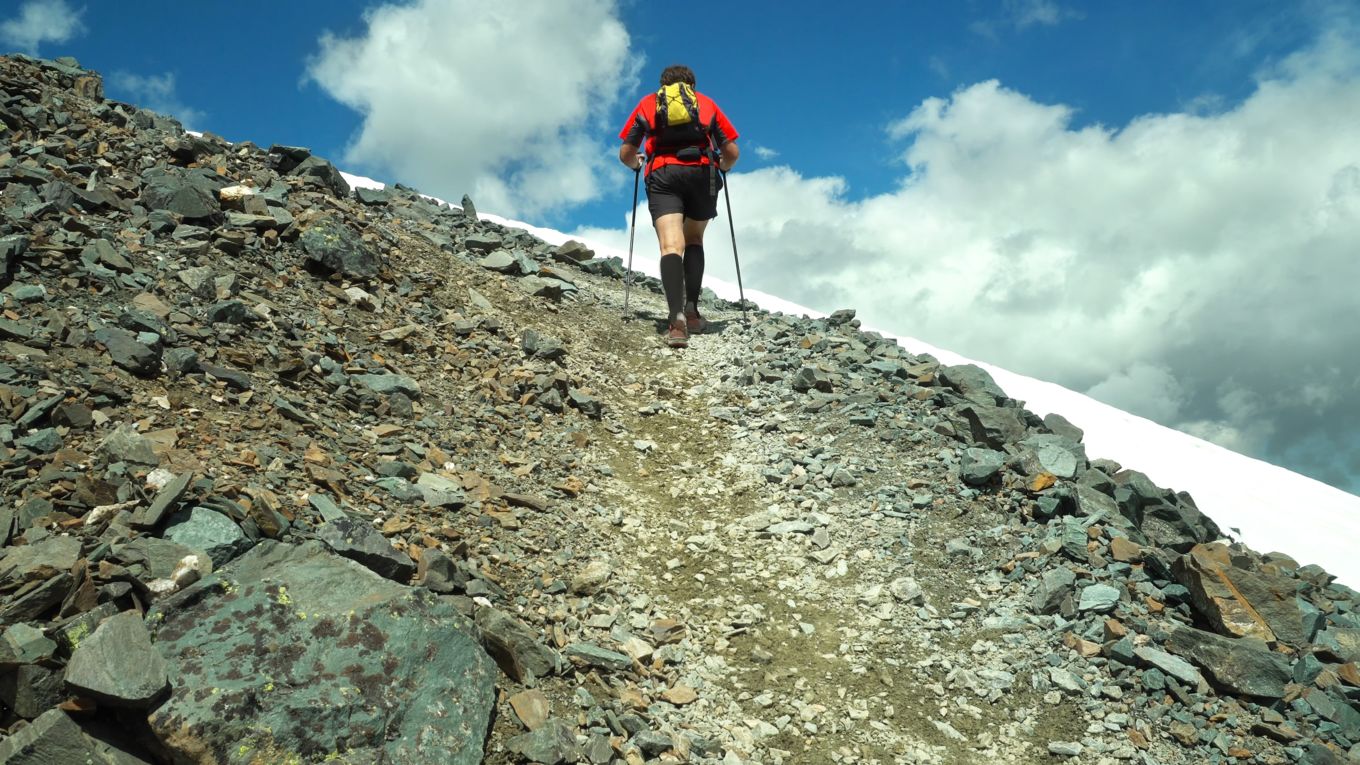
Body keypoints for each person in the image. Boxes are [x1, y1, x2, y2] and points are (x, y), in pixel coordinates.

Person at [618, 65, 740, 348]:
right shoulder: (706, 104)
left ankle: (676, 323)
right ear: (692, 86)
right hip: (703, 174)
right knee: (694, 238)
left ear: (663, 85)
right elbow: (732, 152)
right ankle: (693, 312)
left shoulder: (649, 103)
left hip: (663, 174)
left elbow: (626, 152)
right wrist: (723, 165)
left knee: (671, 245)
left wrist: (636, 163)